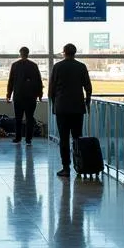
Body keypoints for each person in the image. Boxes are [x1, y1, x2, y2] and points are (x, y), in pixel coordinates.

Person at [49, 43, 92, 179]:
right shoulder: (81, 67)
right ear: (75, 52)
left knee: (64, 139)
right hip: (77, 107)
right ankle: (80, 165)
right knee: (77, 137)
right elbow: (88, 87)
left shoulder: (57, 67)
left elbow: (51, 89)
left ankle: (66, 168)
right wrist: (87, 102)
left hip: (62, 108)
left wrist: (53, 105)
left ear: (64, 52)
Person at [5, 46, 44, 146]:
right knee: (30, 118)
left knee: (18, 118)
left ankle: (18, 138)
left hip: (18, 96)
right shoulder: (34, 65)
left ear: (20, 53)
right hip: (31, 97)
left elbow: (11, 81)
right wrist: (40, 95)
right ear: (28, 53)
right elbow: (39, 81)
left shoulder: (15, 65)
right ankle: (28, 139)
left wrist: (8, 94)